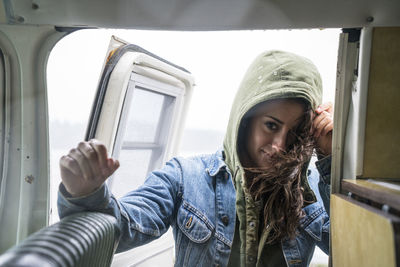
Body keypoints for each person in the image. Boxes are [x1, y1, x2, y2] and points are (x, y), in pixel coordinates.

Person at [58, 50, 332, 267]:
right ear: (246, 120)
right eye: (271, 125)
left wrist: (332, 157)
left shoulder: (313, 195)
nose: (280, 145)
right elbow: (123, 228)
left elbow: (352, 250)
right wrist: (85, 193)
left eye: (295, 133)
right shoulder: (185, 176)